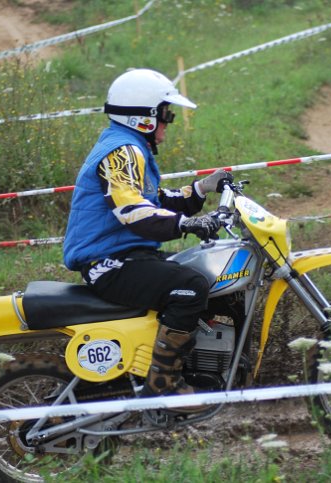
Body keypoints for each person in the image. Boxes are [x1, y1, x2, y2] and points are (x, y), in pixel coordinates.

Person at [63, 68, 231, 411]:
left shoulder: (129, 147)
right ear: (144, 117)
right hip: (108, 263)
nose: (168, 122)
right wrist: (188, 224)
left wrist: (202, 188)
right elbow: (132, 211)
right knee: (190, 287)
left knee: (205, 273)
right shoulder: (122, 151)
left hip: (125, 256)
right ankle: (163, 387)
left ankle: (192, 367)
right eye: (165, 114)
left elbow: (152, 200)